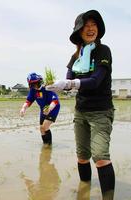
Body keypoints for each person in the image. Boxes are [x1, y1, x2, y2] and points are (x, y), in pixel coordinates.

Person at [46, 10, 115, 199]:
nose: (90, 28)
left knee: (100, 157)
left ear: (98, 28)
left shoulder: (103, 51)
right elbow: (68, 81)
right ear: (79, 32)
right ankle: (83, 191)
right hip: (81, 111)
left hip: (101, 111)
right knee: (82, 156)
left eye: (93, 24)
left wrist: (69, 84)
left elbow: (95, 81)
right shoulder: (76, 56)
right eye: (85, 26)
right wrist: (57, 86)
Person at [20, 72, 60, 145]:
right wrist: (23, 108)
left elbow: (55, 101)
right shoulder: (33, 90)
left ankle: (49, 145)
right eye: (32, 84)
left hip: (53, 108)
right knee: (41, 128)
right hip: (43, 109)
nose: (35, 86)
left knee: (45, 126)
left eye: (36, 83)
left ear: (40, 81)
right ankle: (45, 144)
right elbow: (29, 101)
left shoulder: (47, 88)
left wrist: (49, 109)